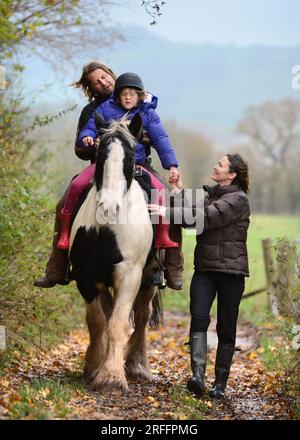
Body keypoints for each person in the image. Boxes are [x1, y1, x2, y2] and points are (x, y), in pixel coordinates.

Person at [34, 64, 184, 289]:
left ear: (112, 76)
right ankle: (58, 263)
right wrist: (86, 141)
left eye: (104, 77)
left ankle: (172, 264)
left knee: (168, 198)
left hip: (138, 164)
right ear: (91, 87)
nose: (102, 82)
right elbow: (84, 138)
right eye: (96, 81)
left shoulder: (146, 110)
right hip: (102, 166)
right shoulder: (97, 110)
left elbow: (161, 139)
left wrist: (171, 165)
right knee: (70, 193)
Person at [148, 153, 250, 399]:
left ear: (232, 174)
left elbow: (203, 218)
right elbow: (190, 218)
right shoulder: (211, 196)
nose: (215, 166)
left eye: (221, 165)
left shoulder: (238, 200)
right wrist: (177, 191)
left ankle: (220, 386)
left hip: (231, 273)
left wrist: (163, 210)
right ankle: (197, 377)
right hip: (205, 270)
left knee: (226, 328)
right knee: (199, 320)